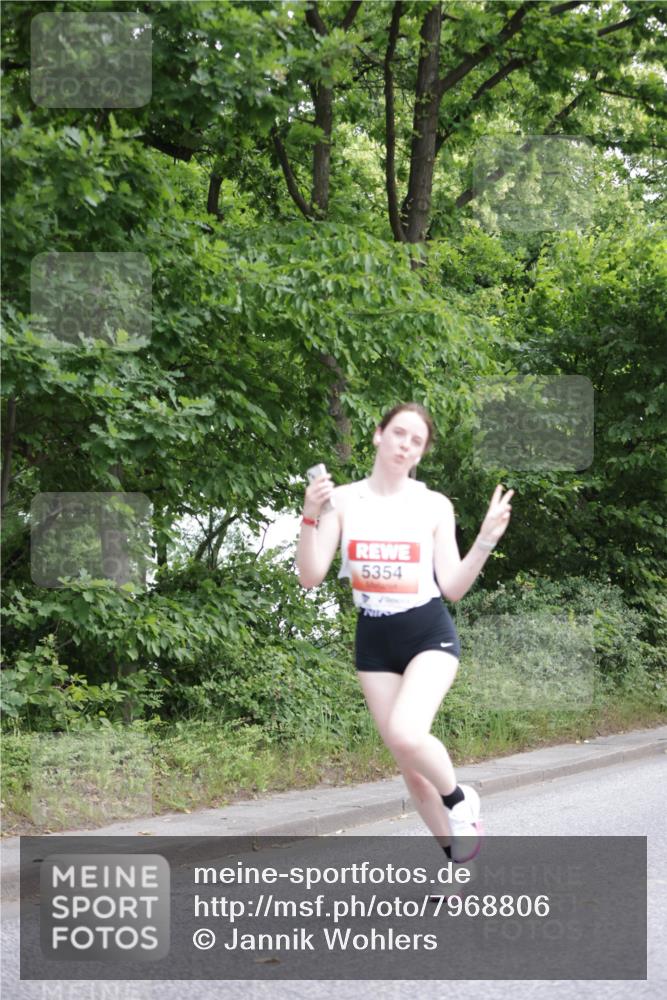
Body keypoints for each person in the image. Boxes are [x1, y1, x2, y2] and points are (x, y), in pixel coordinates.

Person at [295, 402, 513, 863]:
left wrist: (486, 539)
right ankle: (457, 858)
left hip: (426, 631)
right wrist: (309, 515)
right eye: (399, 433)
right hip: (374, 639)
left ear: (422, 453)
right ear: (378, 435)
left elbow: (452, 586)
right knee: (411, 769)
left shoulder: (434, 505)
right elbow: (310, 575)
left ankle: (460, 801)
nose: (405, 445)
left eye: (416, 441)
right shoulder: (346, 501)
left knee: (406, 733)